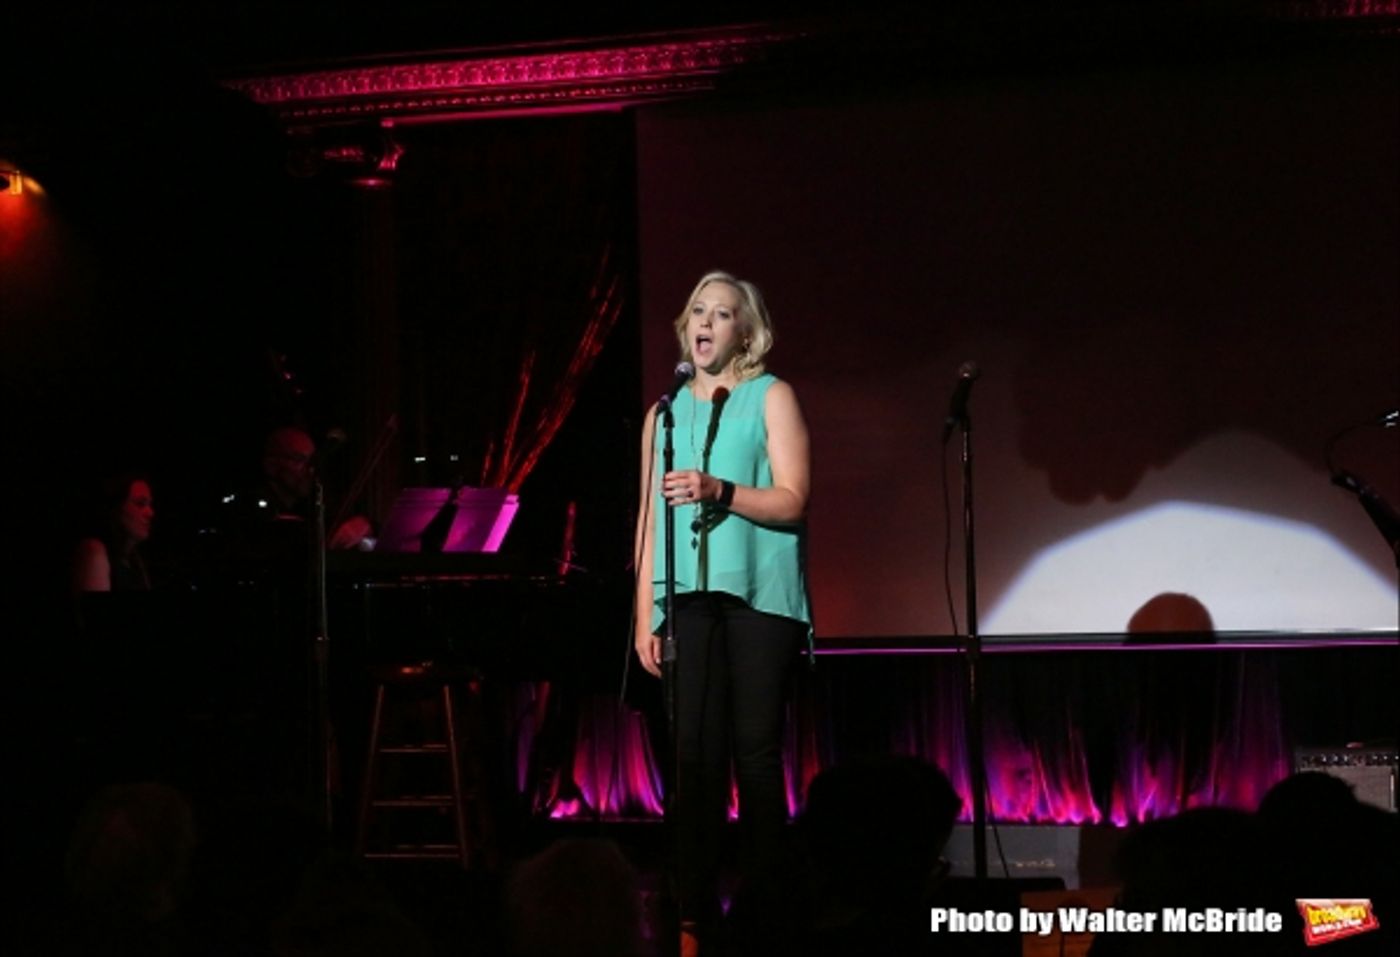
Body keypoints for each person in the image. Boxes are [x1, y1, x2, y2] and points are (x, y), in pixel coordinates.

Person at [632, 270, 812, 955]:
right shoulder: (665, 413)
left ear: (747, 331)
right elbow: (649, 520)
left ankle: (770, 901)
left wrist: (720, 489)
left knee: (755, 755)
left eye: (724, 313)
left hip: (759, 598)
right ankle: (694, 908)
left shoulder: (773, 397)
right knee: (693, 759)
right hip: (686, 602)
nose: (707, 322)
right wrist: (644, 612)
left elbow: (793, 498)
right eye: (698, 311)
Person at [71, 473, 156, 593]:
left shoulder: (135, 560)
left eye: (149, 504)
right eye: (140, 504)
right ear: (116, 507)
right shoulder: (94, 552)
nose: (150, 513)